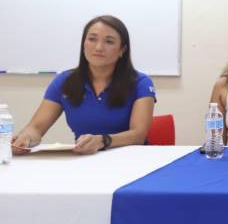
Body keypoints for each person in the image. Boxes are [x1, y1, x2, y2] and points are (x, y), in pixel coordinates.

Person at [11, 15, 155, 155]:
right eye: (92, 39)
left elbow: (138, 135)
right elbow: (36, 128)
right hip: (84, 160)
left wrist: (103, 141)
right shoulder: (64, 81)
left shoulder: (140, 83)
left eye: (109, 41)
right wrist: (26, 138)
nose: (98, 47)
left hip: (131, 161)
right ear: (83, 44)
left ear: (122, 50)